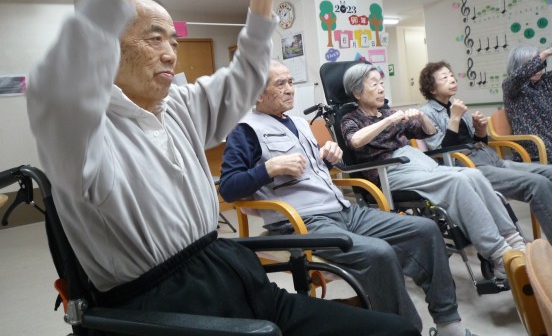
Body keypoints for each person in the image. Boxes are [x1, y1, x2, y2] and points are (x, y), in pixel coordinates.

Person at [25, 0, 418, 335]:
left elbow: (244, 79)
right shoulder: (83, 131)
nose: (170, 53)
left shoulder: (175, 105)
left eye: (174, 41)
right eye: (154, 38)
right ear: (108, 50)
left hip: (225, 269)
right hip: (166, 310)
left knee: (396, 331)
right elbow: (60, 84)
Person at [220, 60, 478, 336]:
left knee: (425, 229)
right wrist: (269, 169)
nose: (290, 89)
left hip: (342, 209)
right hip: (302, 222)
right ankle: (405, 331)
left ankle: (449, 325)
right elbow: (229, 188)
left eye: (291, 82)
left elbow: (310, 172)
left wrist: (328, 158)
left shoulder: (300, 124)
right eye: (280, 84)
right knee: (379, 253)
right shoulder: (245, 131)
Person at [339, 62, 526, 281]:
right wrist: (389, 120)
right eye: (374, 84)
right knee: (456, 183)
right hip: (390, 171)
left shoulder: (389, 112)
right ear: (357, 92)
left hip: (418, 161)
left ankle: (514, 241)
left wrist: (421, 117)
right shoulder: (350, 119)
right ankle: (499, 254)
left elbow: (429, 132)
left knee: (473, 174)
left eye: (381, 83)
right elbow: (355, 141)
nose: (381, 88)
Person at [419, 60, 552, 240]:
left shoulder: (455, 106)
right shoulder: (426, 113)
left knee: (549, 172)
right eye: (445, 78)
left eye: (452, 75)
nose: (452, 79)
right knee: (537, 184)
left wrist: (480, 130)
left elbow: (477, 142)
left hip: (489, 158)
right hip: (468, 168)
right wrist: (455, 118)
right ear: (432, 89)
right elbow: (442, 152)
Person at [503, 45, 552, 160]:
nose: (538, 69)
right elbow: (520, 76)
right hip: (534, 150)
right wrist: (545, 53)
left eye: (540, 63)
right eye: (533, 64)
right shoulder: (510, 85)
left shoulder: (545, 81)